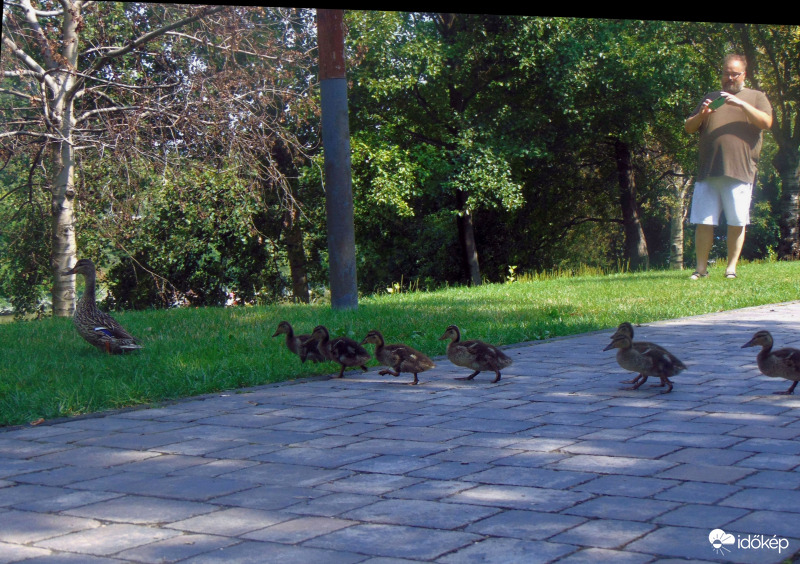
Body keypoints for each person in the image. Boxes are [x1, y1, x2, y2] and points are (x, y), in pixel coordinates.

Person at [685, 54, 772, 280]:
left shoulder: (756, 96)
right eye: (726, 73)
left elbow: (766, 122)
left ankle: (730, 269)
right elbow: (689, 127)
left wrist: (741, 104)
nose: (730, 78)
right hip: (708, 170)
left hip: (740, 170)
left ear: (745, 75)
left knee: (736, 221)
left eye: (735, 74)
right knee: (703, 221)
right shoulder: (711, 97)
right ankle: (701, 270)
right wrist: (703, 114)